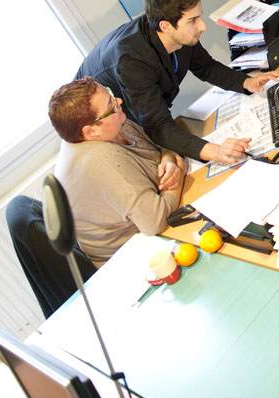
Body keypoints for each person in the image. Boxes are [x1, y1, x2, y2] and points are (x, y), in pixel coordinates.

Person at [76, 0, 279, 163]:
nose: (203, 26)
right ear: (166, 26)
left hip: (138, 113)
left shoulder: (177, 34)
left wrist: (246, 82)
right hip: (101, 123)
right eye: (193, 21)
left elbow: (205, 66)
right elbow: (156, 125)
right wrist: (214, 152)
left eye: (199, 17)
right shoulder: (131, 61)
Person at [48, 77, 185, 266]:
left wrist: (169, 159)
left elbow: (158, 147)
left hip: (156, 222)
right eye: (110, 105)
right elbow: (155, 222)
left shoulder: (110, 123)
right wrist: (178, 171)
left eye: (111, 95)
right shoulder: (100, 160)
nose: (118, 102)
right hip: (135, 257)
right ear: (91, 131)